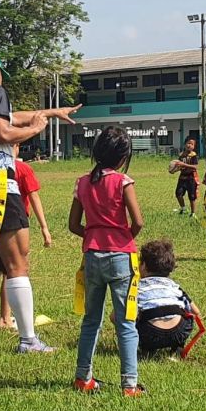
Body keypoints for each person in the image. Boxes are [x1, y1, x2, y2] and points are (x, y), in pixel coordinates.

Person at [0, 49, 79, 355]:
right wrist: (35, 130)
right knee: (17, 264)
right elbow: (3, 130)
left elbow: (9, 116)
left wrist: (50, 113)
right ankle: (28, 340)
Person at [68, 125, 145, 395]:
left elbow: (73, 224)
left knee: (91, 320)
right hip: (121, 256)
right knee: (126, 322)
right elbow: (138, 222)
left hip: (92, 256)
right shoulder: (124, 182)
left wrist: (91, 234)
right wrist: (125, 237)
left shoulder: (82, 182)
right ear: (123, 157)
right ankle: (130, 384)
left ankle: (83, 377)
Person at [0, 142, 53, 328]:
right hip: (14, 225)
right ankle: (6, 318)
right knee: (12, 270)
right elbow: (34, 197)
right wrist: (44, 228)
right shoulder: (22, 168)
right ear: (15, 146)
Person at [135, 238, 200, 357]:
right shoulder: (174, 287)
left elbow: (115, 318)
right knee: (186, 317)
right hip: (179, 332)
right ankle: (176, 347)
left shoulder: (137, 287)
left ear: (143, 266)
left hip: (150, 335)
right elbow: (195, 311)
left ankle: (146, 349)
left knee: (132, 319)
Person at [171, 137, 200, 216]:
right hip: (182, 178)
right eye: (188, 143)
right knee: (178, 194)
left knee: (192, 196)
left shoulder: (194, 156)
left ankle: (193, 213)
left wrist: (184, 164)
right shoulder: (181, 155)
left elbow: (195, 167)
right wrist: (174, 170)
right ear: (184, 144)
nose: (189, 145)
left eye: (192, 144)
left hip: (191, 178)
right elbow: (179, 166)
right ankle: (183, 209)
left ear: (194, 146)